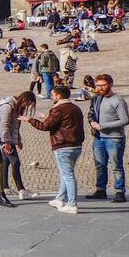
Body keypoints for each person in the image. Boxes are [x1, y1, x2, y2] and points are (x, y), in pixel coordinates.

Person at [23, 84, 86, 213]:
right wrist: (47, 118)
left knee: (68, 175)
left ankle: (72, 204)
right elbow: (64, 124)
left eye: (52, 94)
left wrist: (30, 120)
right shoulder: (75, 108)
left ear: (58, 95)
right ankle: (60, 198)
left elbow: (45, 127)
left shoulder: (58, 109)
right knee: (65, 173)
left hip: (63, 145)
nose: (52, 96)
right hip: (76, 145)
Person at [87, 73, 129, 202]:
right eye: (98, 85)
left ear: (110, 85)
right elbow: (91, 113)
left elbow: (125, 120)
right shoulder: (96, 98)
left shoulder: (118, 100)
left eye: (103, 85)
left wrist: (104, 126)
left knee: (116, 165)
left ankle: (119, 191)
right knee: (100, 165)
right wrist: (92, 123)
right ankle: (100, 190)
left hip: (114, 138)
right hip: (99, 137)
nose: (100, 88)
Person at [0, 91, 36, 201]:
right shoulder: (8, 107)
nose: (27, 107)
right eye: (28, 104)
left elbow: (15, 126)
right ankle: (21, 190)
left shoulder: (16, 107)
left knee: (5, 161)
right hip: (4, 139)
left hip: (9, 139)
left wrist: (18, 140)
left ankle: (5, 187)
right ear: (24, 99)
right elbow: (3, 126)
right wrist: (6, 143)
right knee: (15, 162)